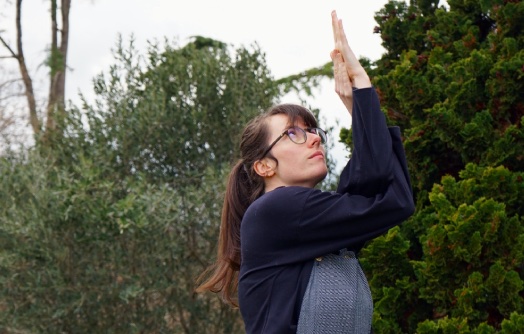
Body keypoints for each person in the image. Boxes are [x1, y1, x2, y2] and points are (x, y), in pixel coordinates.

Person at [196, 10, 415, 334]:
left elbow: (370, 188)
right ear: (264, 165)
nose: (314, 137)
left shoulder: (304, 227)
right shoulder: (275, 210)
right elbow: (392, 202)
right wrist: (364, 94)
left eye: (313, 131)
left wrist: (360, 103)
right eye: (293, 133)